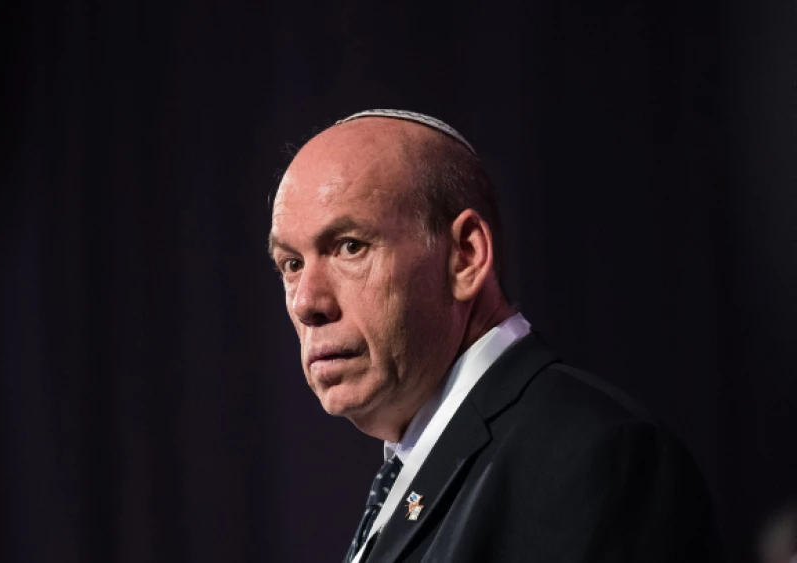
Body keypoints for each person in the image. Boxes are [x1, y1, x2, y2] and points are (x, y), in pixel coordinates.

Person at [267, 109, 723, 563]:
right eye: (292, 264)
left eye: (350, 246)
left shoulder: (593, 457)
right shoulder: (415, 465)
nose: (307, 302)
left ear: (465, 256)